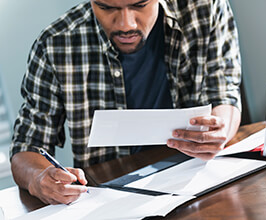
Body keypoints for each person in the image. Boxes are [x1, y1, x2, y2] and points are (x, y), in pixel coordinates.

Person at [10, 0, 242, 205]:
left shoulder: (206, 9)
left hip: (199, 186)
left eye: (140, 5)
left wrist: (219, 129)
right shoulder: (55, 44)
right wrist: (39, 179)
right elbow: (26, 147)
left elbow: (224, 95)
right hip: (111, 202)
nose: (125, 24)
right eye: (106, 7)